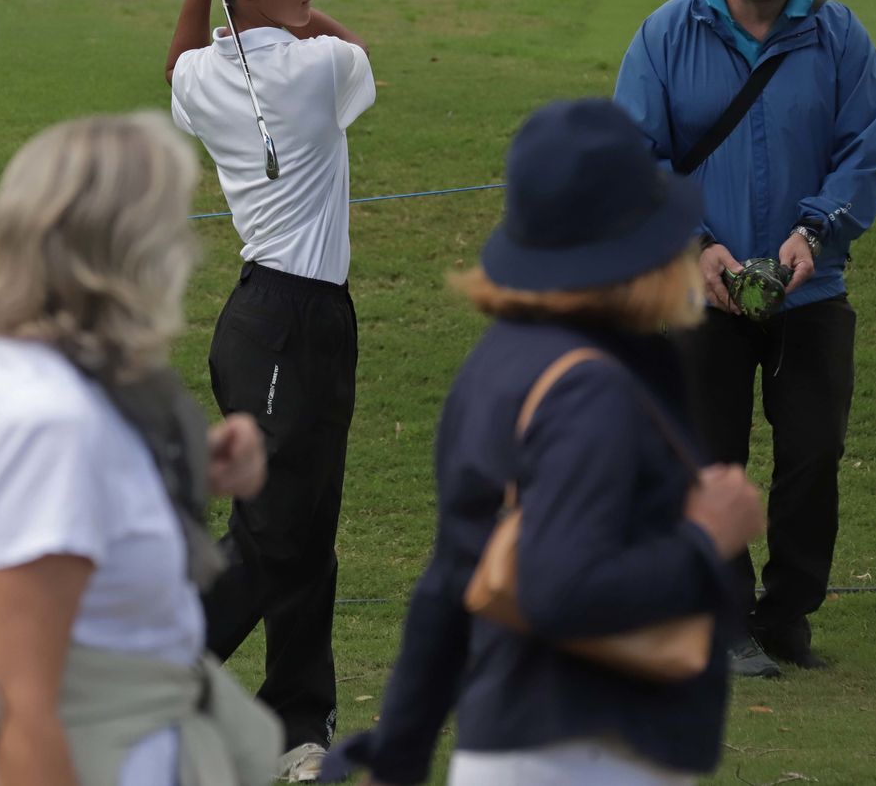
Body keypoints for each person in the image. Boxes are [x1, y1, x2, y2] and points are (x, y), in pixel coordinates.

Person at [320, 99, 768, 786]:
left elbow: (451, 580)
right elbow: (562, 589)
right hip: (591, 751)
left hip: (514, 745)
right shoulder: (590, 389)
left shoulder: (497, 364)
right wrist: (706, 539)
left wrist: (400, 754)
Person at [0, 112, 283, 786]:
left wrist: (188, 465)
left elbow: (63, 508)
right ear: (125, 254)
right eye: (172, 229)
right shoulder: (47, 425)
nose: (188, 252)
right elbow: (18, 705)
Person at [613, 0, 876, 676]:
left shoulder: (841, 38)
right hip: (701, 287)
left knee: (814, 453)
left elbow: (864, 149)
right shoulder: (667, 33)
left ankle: (787, 616)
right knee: (711, 457)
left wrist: (815, 230)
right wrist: (697, 245)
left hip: (812, 284)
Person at [164, 0, 376, 780]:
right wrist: (267, 3)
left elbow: (178, 59)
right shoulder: (321, 65)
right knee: (274, 532)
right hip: (287, 320)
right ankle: (150, 677)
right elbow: (356, 49)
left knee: (306, 527)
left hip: (288, 318)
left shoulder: (201, 75)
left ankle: (299, 719)